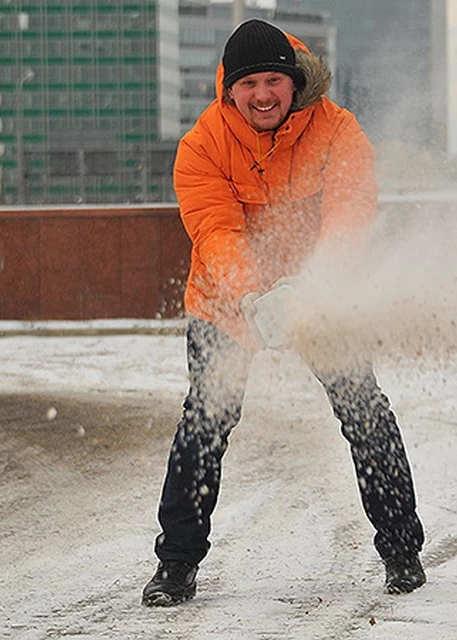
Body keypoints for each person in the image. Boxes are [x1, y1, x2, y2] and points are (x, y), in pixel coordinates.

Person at [142, 19, 425, 607]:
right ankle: (176, 564)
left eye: (275, 79)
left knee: (363, 410)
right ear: (230, 90)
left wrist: (313, 287)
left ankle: (402, 550)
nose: (264, 94)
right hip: (227, 300)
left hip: (319, 294)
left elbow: (351, 215)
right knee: (207, 420)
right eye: (250, 84)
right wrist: (252, 295)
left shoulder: (338, 130)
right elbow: (215, 232)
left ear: (294, 83)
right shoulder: (202, 144)